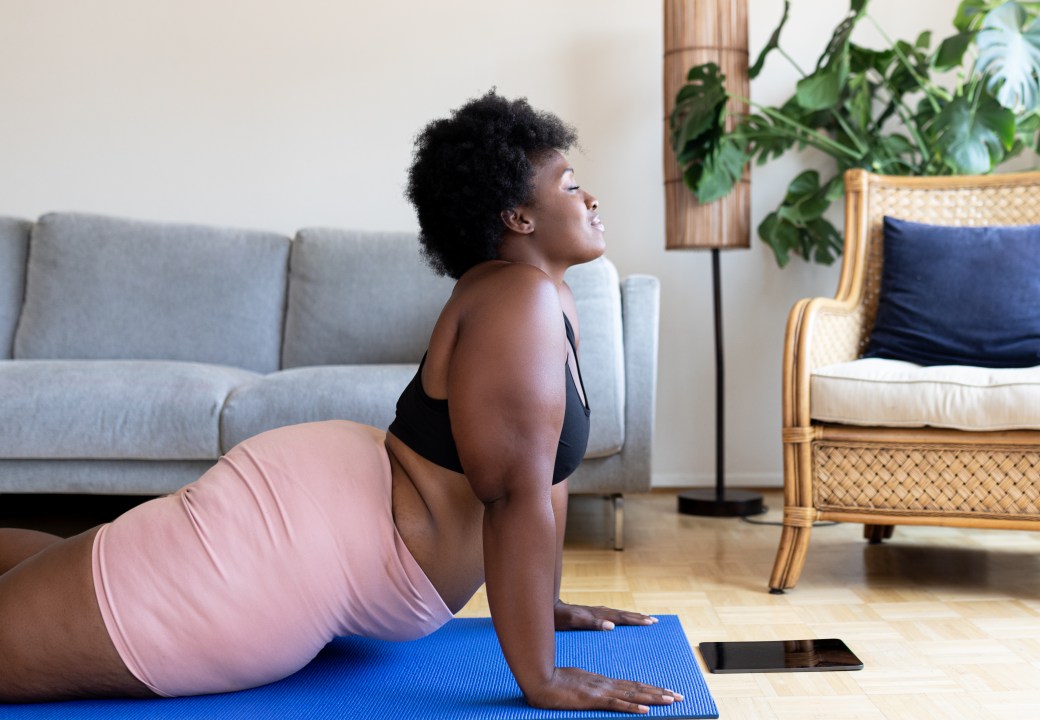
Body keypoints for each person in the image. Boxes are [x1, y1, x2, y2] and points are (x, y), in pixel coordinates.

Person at [0, 91, 682, 715]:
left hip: (303, 520)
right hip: (277, 549)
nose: (590, 197)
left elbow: (544, 477)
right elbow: (511, 495)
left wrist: (543, 602)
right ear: (518, 215)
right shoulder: (518, 298)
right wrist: (542, 676)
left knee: (76, 570)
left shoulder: (547, 298)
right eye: (570, 185)